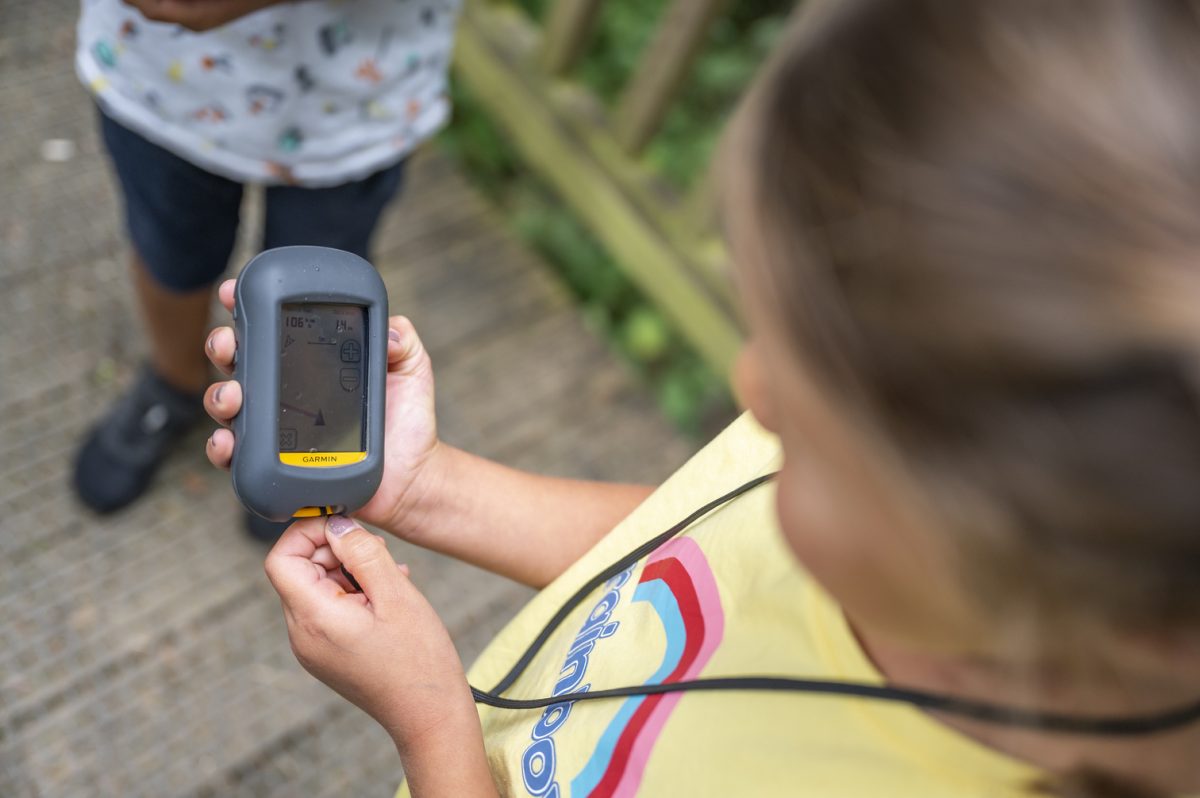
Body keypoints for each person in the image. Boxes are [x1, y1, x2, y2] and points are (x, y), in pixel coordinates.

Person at [198, 0, 1200, 794]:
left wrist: (435, 730)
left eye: (808, 428)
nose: (750, 394)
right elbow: (693, 558)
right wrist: (422, 490)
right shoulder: (926, 499)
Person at [71, 0, 460, 539]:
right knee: (169, 254)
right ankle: (174, 385)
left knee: (328, 305)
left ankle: (308, 453)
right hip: (162, 83)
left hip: (357, 104)